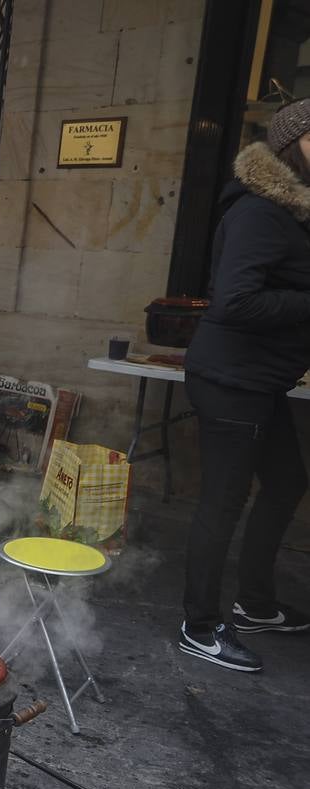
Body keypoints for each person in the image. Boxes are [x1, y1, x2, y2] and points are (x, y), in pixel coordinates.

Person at [179, 99, 310, 673]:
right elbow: (235, 301)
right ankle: (199, 627)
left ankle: (255, 604)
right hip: (232, 380)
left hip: (260, 379)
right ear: (292, 146)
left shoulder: (293, 212)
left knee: (286, 482)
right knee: (222, 502)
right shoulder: (262, 212)